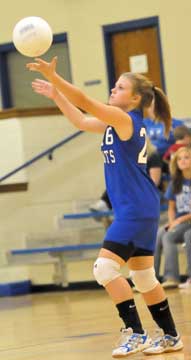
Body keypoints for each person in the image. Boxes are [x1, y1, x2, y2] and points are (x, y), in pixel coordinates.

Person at [27, 57, 183, 356]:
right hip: (138, 206)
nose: (113, 88)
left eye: (120, 87)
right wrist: (55, 94)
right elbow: (81, 120)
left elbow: (85, 101)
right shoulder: (116, 122)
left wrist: (55, 76)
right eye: (114, 85)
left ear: (135, 98)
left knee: (104, 268)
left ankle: (135, 333)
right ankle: (170, 336)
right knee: (144, 277)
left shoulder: (126, 119)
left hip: (135, 208)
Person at [155, 146, 191, 289]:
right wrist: (172, 223)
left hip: (186, 221)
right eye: (179, 159)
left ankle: (172, 277)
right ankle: (151, 279)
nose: (182, 161)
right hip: (180, 223)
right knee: (159, 234)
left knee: (170, 237)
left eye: (186, 157)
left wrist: (177, 221)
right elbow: (171, 207)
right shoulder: (175, 182)